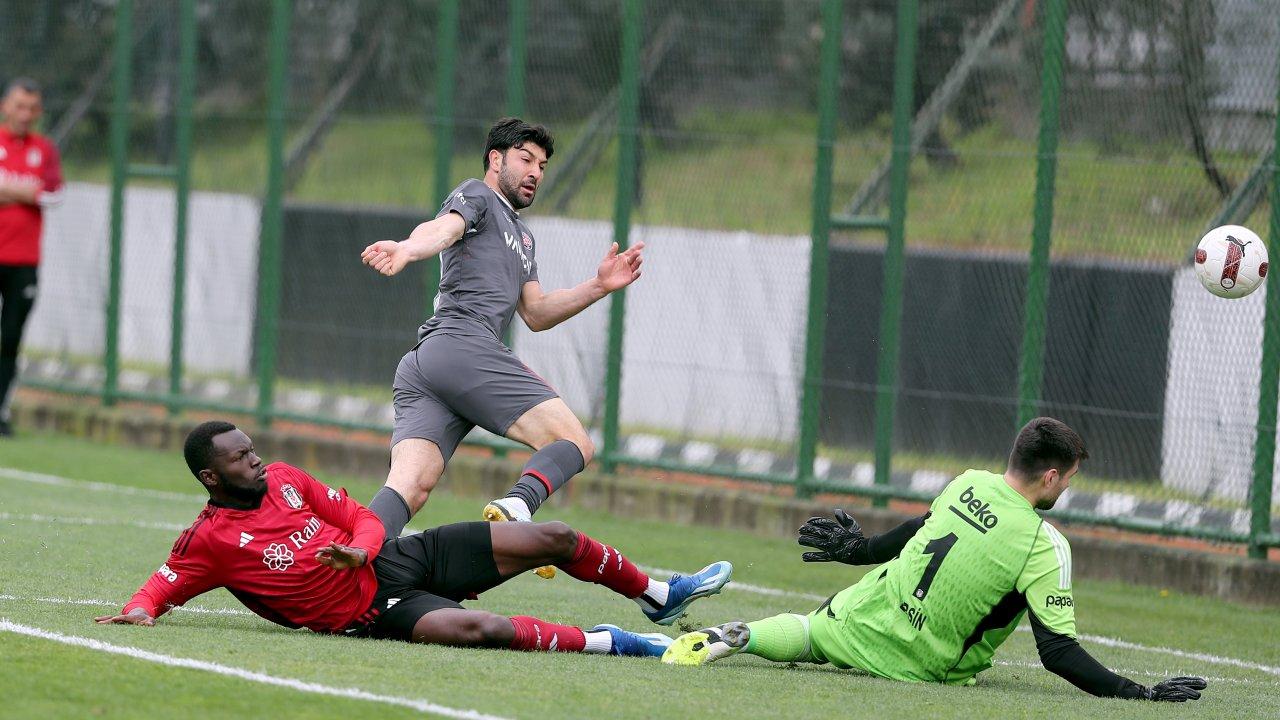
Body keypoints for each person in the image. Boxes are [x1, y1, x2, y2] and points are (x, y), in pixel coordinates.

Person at [662, 417, 1208, 703]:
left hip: (862, 615)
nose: (1067, 485)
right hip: (921, 664)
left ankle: (740, 636)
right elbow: (1058, 652)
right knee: (872, 637)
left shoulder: (967, 481)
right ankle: (747, 636)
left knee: (808, 631)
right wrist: (1138, 692)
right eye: (1068, 477)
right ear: (1050, 478)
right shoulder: (1047, 546)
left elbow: (917, 531)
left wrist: (861, 551)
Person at [95, 421, 732, 658]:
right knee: (478, 630)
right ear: (211, 475)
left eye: (253, 450)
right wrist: (142, 609)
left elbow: (364, 518)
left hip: (402, 557)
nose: (256, 462)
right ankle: (615, 643)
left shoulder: (288, 479)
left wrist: (363, 548)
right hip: (372, 612)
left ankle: (655, 592)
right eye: (239, 460)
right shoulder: (211, 539)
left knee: (554, 535)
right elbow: (167, 581)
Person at [360, 118, 644, 579]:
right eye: (526, 159)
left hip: (429, 363)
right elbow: (444, 228)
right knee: (574, 441)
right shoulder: (477, 195)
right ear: (496, 160)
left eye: (543, 165)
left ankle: (349, 559)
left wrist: (598, 285)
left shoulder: (524, 237)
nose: (536, 172)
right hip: (462, 344)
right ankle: (518, 505)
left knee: (411, 485)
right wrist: (409, 249)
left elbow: (535, 312)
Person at [0, 78, 63, 437]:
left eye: (32, 108)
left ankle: (1, 411)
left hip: (24, 261)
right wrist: (25, 190)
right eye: (19, 106)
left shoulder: (44, 148)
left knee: (10, 338)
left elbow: (55, 195)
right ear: (5, 106)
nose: (25, 115)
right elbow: (38, 192)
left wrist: (8, 190)